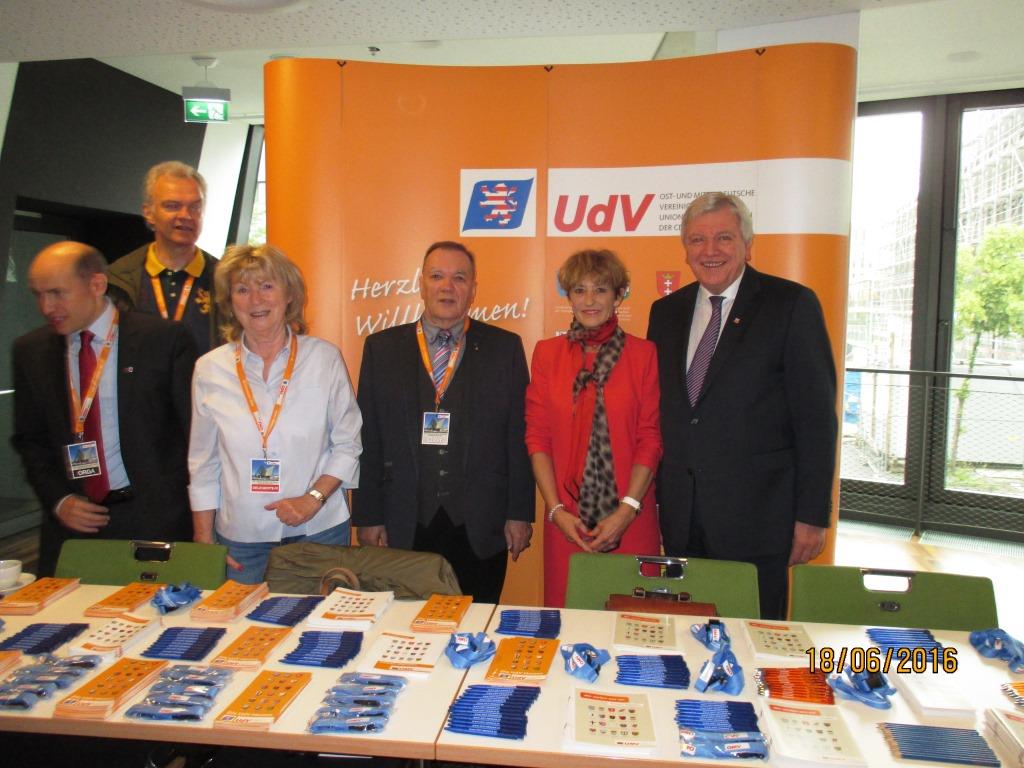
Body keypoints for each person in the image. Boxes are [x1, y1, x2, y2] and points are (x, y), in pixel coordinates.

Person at [647, 192, 837, 619]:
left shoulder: (791, 305)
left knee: (755, 637)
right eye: (697, 240)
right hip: (681, 517)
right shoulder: (666, 312)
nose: (709, 251)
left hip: (759, 519)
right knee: (685, 633)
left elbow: (816, 420)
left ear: (748, 245)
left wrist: (812, 515)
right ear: (685, 249)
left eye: (724, 238)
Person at [354, 241, 534, 603]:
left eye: (459, 278)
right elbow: (368, 439)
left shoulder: (505, 348)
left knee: (475, 622)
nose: (447, 287)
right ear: (421, 284)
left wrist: (519, 513)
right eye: (436, 276)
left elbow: (519, 437)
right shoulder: (382, 349)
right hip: (403, 521)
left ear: (473, 289)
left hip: (481, 525)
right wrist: (368, 516)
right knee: (404, 625)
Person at [11, 241, 196, 576]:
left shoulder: (163, 340)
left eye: (57, 293)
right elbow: (30, 440)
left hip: (155, 521)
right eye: (38, 294)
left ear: (96, 284)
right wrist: (59, 500)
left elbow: (192, 433)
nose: (46, 307)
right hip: (73, 526)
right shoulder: (30, 351)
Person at [188, 244, 362, 584]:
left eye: (267, 286)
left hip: (319, 530)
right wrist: (203, 536)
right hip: (241, 538)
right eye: (242, 289)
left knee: (318, 619)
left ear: (289, 295)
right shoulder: (209, 369)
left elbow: (348, 444)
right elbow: (203, 462)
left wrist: (313, 499)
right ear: (230, 302)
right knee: (242, 619)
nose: (256, 299)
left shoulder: (324, 359)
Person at [526, 249, 662, 607]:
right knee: (569, 619)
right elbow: (538, 438)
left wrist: (626, 511)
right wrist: (556, 511)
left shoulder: (644, 354)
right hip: (566, 522)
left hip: (630, 517)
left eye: (600, 290)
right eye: (579, 290)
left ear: (618, 296)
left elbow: (650, 438)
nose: (589, 301)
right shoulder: (547, 354)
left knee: (634, 622)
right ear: (569, 296)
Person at [107, 161, 220, 355]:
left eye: (195, 207)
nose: (186, 215)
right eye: (172, 206)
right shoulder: (117, 280)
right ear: (148, 213)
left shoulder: (226, 279)